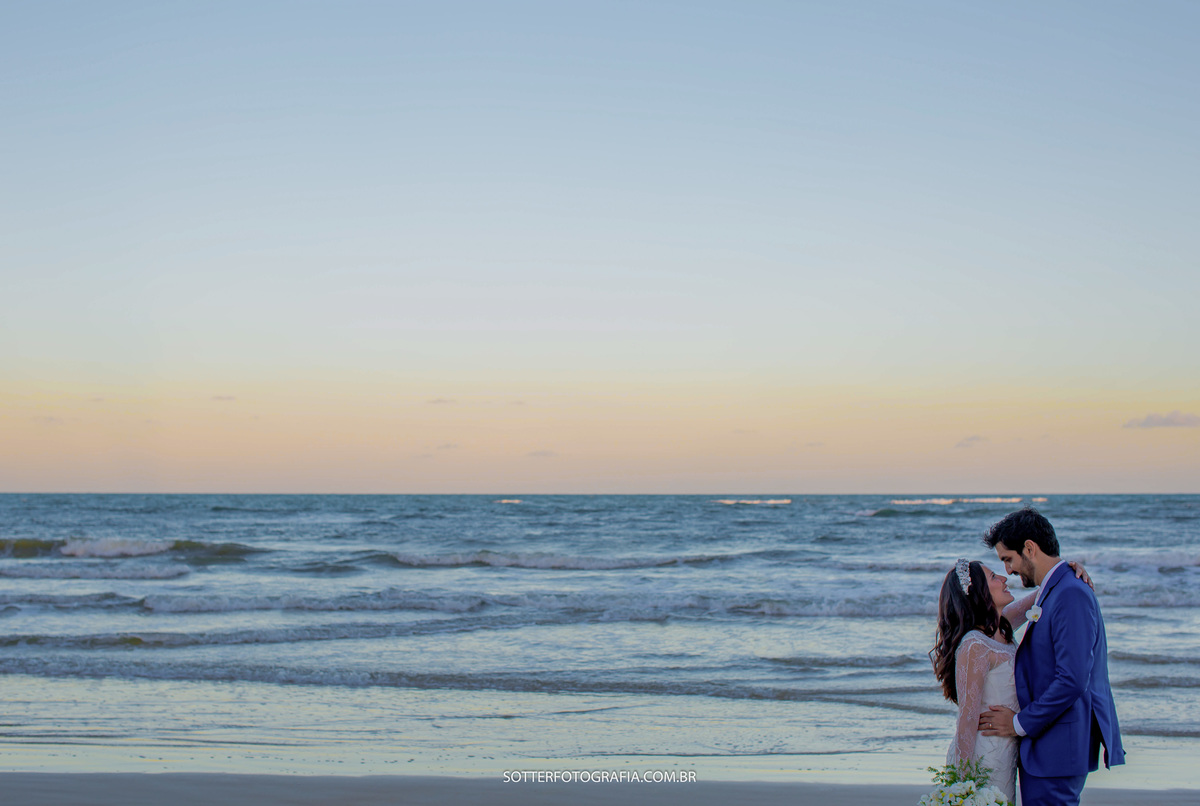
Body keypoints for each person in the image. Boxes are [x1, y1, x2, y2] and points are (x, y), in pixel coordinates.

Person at [979, 508, 1125, 806]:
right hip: (1048, 748)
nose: (1008, 571)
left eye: (1008, 559)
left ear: (1029, 548)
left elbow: (1072, 680)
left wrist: (1019, 723)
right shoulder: (1055, 589)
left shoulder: (1070, 594)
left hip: (1056, 749)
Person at [930, 556, 1089, 802]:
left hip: (1007, 753)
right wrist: (962, 787)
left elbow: (1044, 592)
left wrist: (1069, 569)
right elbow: (966, 720)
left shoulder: (1001, 627)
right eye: (994, 577)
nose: (1004, 578)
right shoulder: (975, 646)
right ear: (980, 593)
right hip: (984, 757)